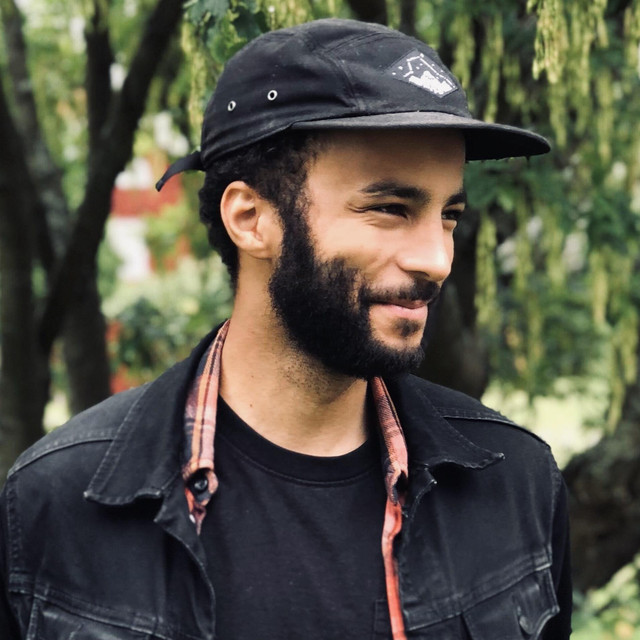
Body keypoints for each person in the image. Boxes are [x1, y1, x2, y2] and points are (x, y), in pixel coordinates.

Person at [0, 18, 571, 640]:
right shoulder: (58, 504)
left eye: (449, 216)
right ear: (251, 219)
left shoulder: (516, 483)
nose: (436, 259)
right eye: (390, 209)